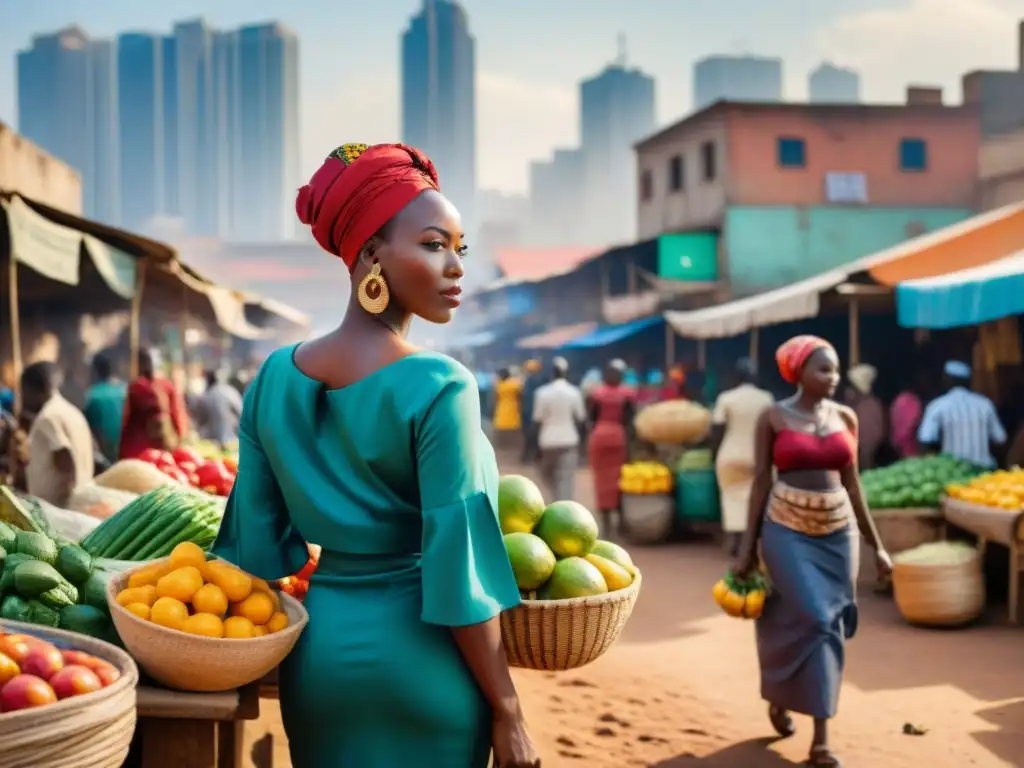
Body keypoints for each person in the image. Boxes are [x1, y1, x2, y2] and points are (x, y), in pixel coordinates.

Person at [211, 143, 539, 767]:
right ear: (370, 256)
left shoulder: (273, 378)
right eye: (434, 244)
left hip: (320, 665)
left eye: (459, 249)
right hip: (426, 666)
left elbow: (252, 552)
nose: (456, 268)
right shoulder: (442, 385)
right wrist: (508, 709)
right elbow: (458, 574)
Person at [733, 335, 891, 768]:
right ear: (797, 372)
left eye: (836, 369)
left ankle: (820, 739)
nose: (833, 377)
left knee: (828, 624)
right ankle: (785, 696)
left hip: (838, 534)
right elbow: (761, 482)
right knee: (811, 617)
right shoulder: (773, 417)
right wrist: (747, 547)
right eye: (823, 369)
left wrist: (878, 547)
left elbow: (853, 484)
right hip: (785, 531)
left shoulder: (846, 417)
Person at [710, 358, 774, 557]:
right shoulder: (767, 398)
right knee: (755, 497)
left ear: (736, 376)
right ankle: (751, 541)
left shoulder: (726, 398)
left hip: (730, 455)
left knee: (730, 497)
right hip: (759, 456)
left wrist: (714, 454)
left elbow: (717, 429)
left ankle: (735, 541)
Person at [20, 362, 95, 508]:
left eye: (24, 392)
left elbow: (65, 458)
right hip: (80, 503)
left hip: (59, 510)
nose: (23, 398)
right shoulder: (72, 411)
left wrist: (66, 505)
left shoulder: (48, 417)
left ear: (34, 390)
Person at [918, 361, 1006, 468]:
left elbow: (926, 439)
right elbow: (1000, 440)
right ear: (969, 382)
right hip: (984, 471)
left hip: (952, 471)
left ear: (947, 380)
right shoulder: (985, 404)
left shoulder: (937, 405)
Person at [587, 359, 635, 534]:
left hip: (599, 438)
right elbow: (630, 422)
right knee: (619, 480)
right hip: (618, 438)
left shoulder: (597, 394)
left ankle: (606, 524)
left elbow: (591, 419)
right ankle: (621, 522)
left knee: (601, 480)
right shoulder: (627, 394)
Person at [119, 348, 188, 460]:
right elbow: (178, 415)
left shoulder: (135, 387)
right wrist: (180, 439)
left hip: (137, 449)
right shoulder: (166, 386)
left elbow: (126, 419)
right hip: (163, 449)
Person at [533, 357, 585, 502]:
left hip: (547, 441)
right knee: (565, 479)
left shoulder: (541, 393)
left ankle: (558, 502)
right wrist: (582, 445)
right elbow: (580, 419)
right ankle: (564, 507)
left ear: (551, 373)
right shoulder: (574, 392)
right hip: (569, 441)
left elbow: (537, 420)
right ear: (566, 373)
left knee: (548, 476)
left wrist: (535, 446)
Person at [83, 354, 127, 464]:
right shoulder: (126, 390)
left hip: (105, 460)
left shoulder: (92, 396)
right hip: (129, 455)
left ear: (94, 371)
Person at [844, 364, 885, 470]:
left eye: (851, 386)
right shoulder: (855, 405)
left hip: (865, 462)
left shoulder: (869, 407)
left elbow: (869, 440)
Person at [193, 369, 244, 447]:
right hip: (230, 438)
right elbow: (241, 414)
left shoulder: (206, 396)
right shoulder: (230, 392)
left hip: (211, 441)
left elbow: (199, 419)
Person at [889, 373, 926, 459]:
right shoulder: (912, 401)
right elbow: (913, 424)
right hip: (909, 450)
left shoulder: (897, 400)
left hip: (897, 448)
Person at [492, 367, 524, 457]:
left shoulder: (499, 385)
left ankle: (502, 451)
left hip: (501, 410)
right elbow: (520, 387)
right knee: (513, 435)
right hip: (513, 410)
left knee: (502, 436)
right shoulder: (514, 384)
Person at [520, 359, 543, 463]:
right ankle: (536, 457)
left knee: (529, 436)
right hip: (536, 411)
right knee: (536, 436)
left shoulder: (529, 381)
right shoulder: (539, 380)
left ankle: (527, 457)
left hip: (528, 411)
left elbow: (525, 397)